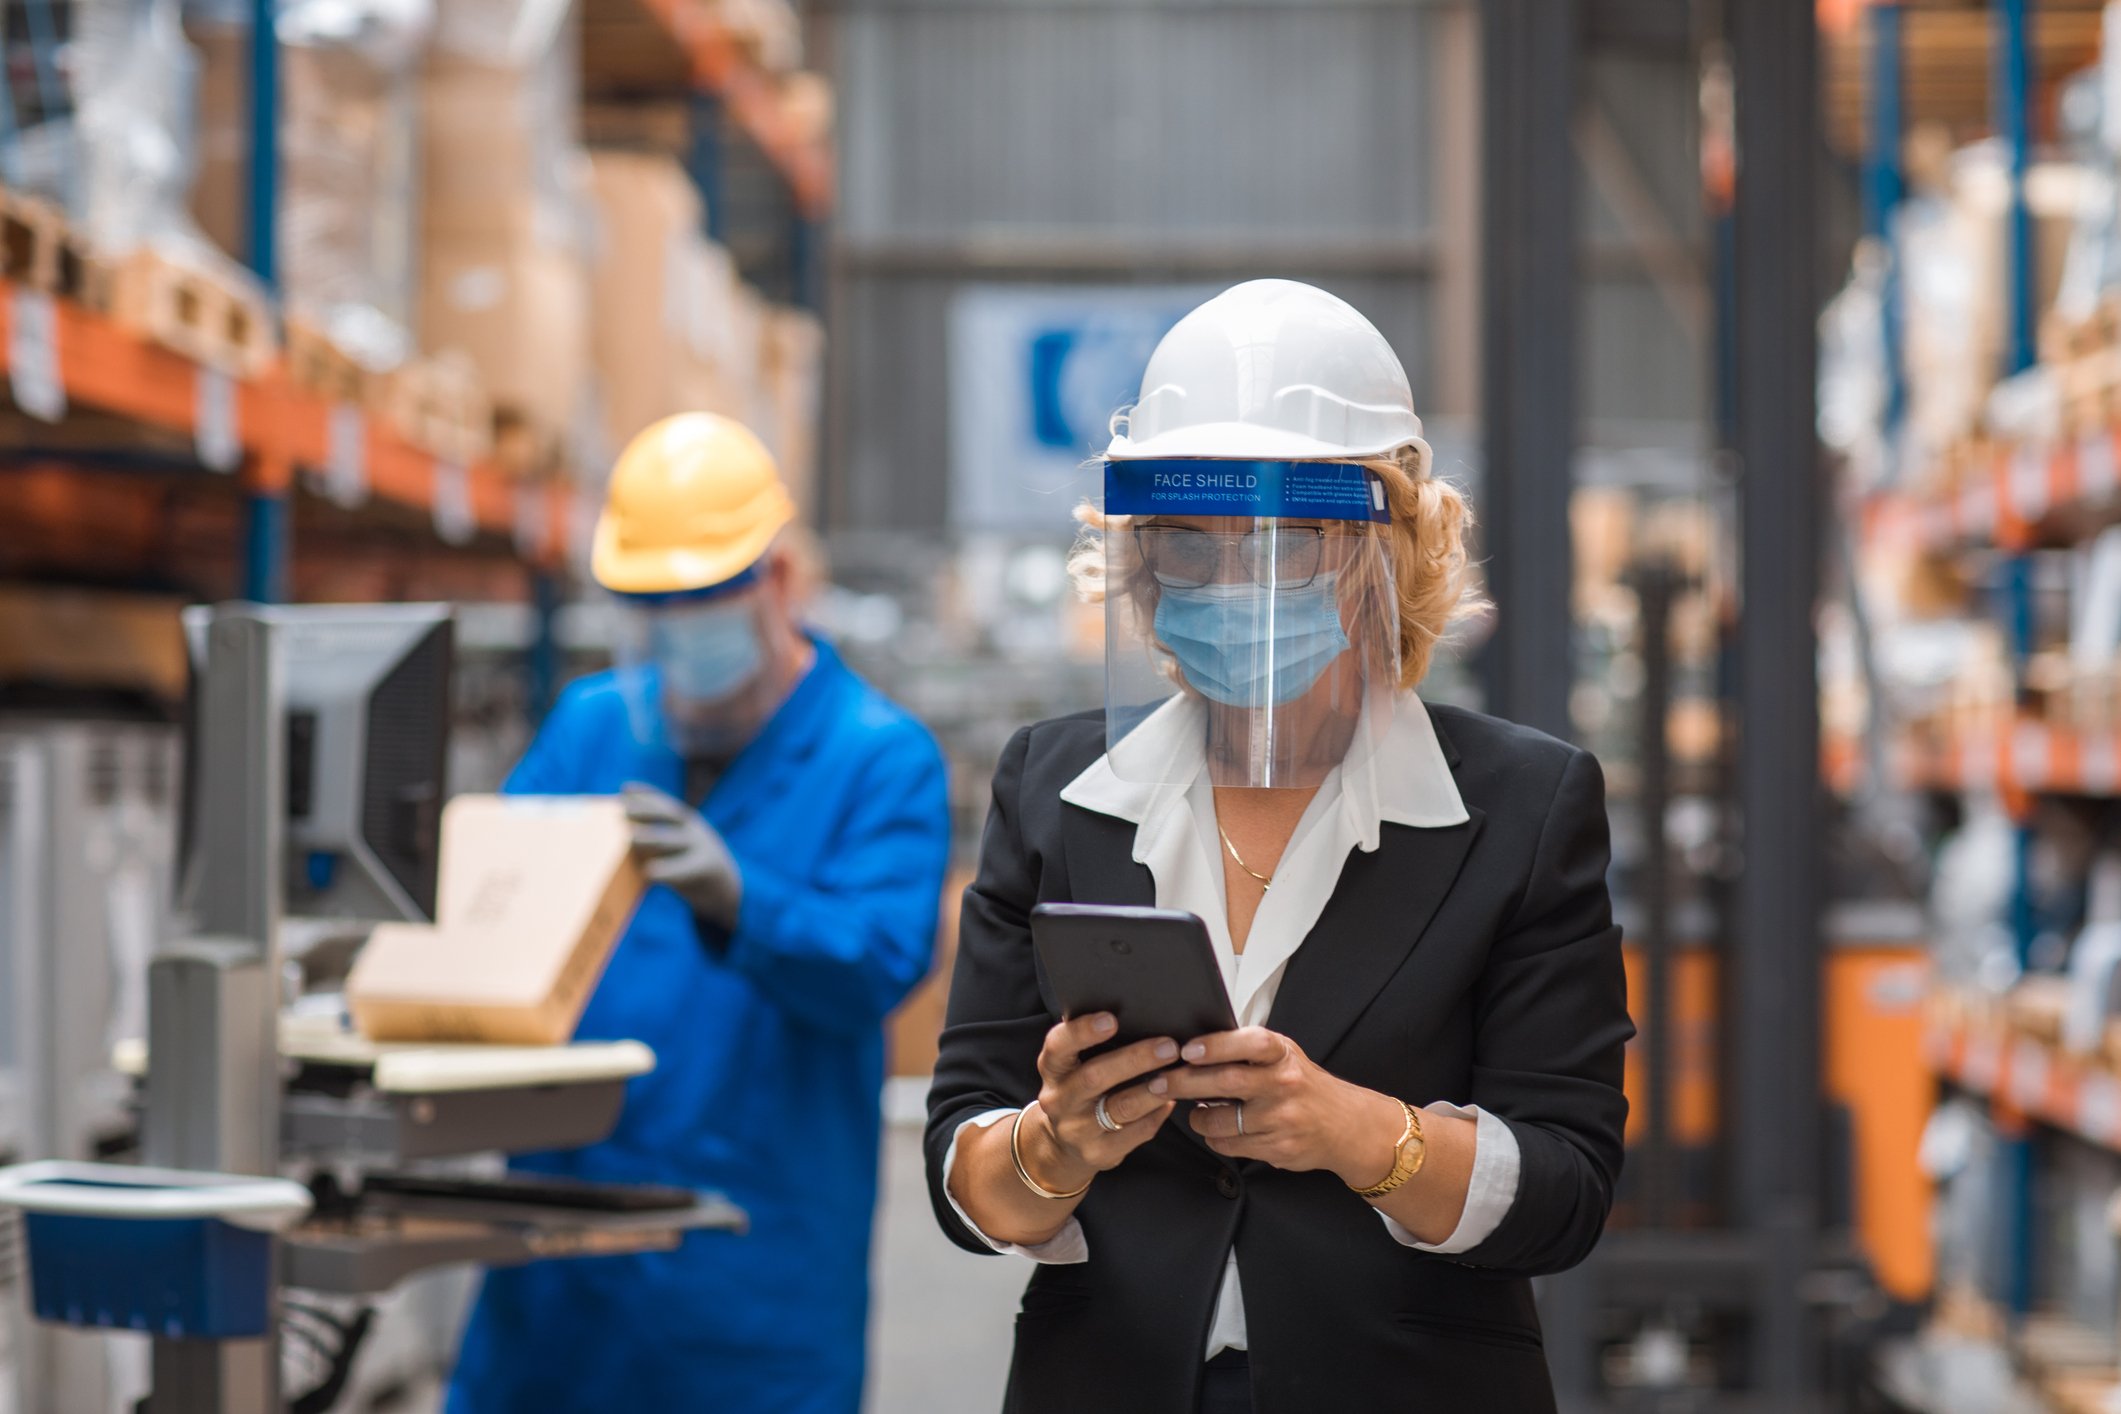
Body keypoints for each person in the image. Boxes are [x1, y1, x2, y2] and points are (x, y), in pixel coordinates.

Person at [925, 280, 1633, 1414]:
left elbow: (1567, 1189)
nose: (1225, 585)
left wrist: (1363, 1134)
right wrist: (1052, 1146)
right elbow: (962, 1171)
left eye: (1279, 541)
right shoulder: (1058, 790)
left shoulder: (1521, 806)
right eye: (1185, 545)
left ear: (1388, 546)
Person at [448, 413, 952, 1414]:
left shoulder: (878, 757)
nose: (683, 625)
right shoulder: (596, 725)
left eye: (707, 594)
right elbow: (489, 917)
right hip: (559, 1261)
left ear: (781, 577)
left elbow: (880, 964)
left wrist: (742, 899)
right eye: (653, 602)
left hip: (751, 1274)